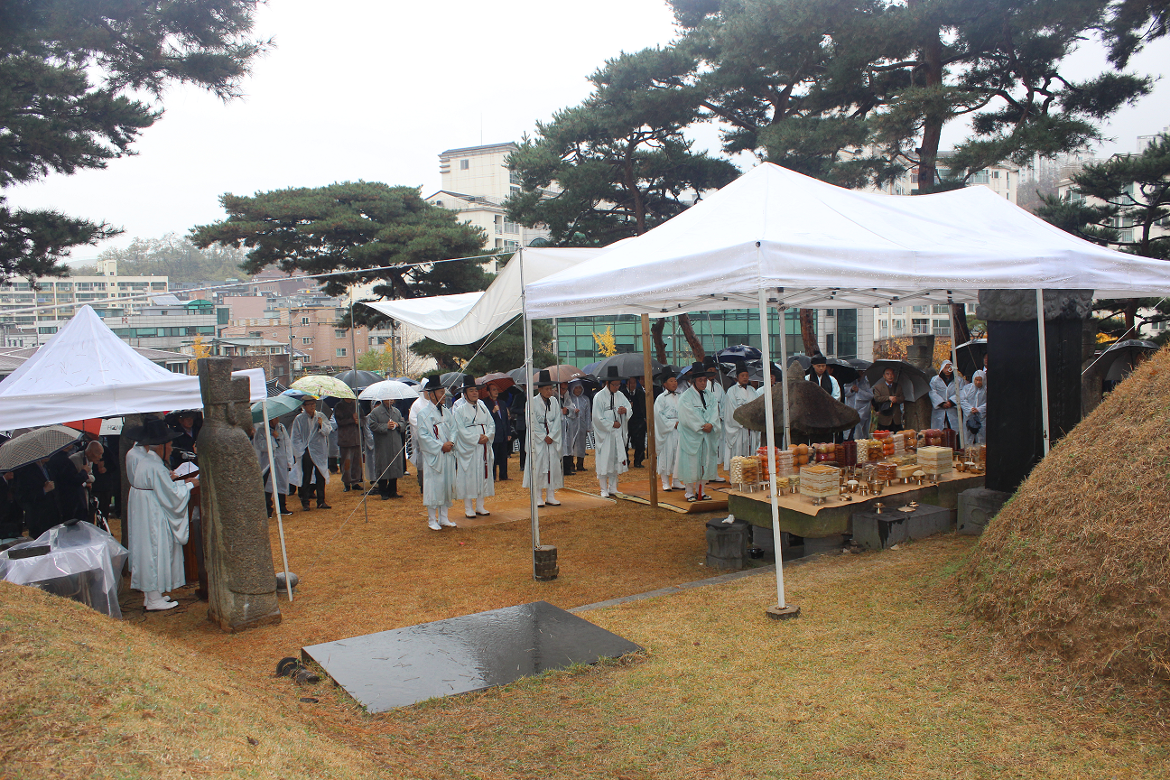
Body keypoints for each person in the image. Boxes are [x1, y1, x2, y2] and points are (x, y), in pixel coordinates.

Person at [123, 418, 197, 612]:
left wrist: (179, 483)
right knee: (154, 549)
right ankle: (154, 599)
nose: (172, 449)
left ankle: (152, 595)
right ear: (161, 446)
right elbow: (171, 495)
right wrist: (190, 485)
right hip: (151, 512)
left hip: (146, 507)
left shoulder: (149, 461)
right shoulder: (153, 465)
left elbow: (163, 486)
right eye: (170, 445)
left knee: (149, 550)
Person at [415, 374, 458, 530]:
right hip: (434, 456)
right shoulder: (423, 414)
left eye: (444, 392)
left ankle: (444, 517)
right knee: (434, 486)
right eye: (441, 393)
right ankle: (432, 519)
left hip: (447, 453)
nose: (444, 396)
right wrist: (440, 446)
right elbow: (423, 436)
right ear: (432, 395)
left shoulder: (447, 412)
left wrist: (451, 442)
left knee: (446, 485)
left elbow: (454, 428)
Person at [676, 361, 722, 502]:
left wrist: (711, 424)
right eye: (700, 380)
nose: (703, 383)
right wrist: (702, 426)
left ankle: (701, 491)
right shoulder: (686, 397)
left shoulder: (710, 396)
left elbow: (714, 411)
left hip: (707, 436)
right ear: (693, 381)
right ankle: (689, 492)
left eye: (705, 380)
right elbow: (687, 416)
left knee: (705, 463)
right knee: (691, 464)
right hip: (692, 436)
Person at [452, 376, 495, 518]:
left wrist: (487, 436)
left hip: (483, 446)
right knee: (469, 476)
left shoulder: (482, 406)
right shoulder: (460, 410)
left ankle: (480, 505)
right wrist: (476, 438)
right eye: (471, 391)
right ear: (465, 394)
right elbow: (460, 430)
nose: (474, 393)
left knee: (483, 474)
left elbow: (491, 423)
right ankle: (468, 507)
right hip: (469, 448)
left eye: (476, 390)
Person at [522, 370, 563, 506]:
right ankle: (538, 496)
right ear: (539, 389)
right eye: (546, 389)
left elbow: (557, 420)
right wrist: (543, 436)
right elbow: (531, 422)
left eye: (551, 389)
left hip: (551, 438)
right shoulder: (531, 402)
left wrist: (551, 435)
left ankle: (550, 495)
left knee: (552, 465)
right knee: (539, 466)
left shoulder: (554, 402)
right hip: (538, 440)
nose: (549, 391)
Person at [290, 396, 335, 510]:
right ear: (304, 406)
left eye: (313, 404)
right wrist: (301, 450)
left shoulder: (320, 416)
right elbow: (295, 436)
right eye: (309, 404)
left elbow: (328, 431)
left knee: (320, 475)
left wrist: (321, 425)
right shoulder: (299, 419)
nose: (312, 406)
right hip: (306, 451)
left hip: (319, 450)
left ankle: (321, 500)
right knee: (306, 476)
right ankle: (305, 501)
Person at [591, 366, 629, 498]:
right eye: (614, 385)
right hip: (605, 435)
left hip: (616, 434)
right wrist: (612, 424)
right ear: (607, 383)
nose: (617, 387)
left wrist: (625, 410)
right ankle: (603, 488)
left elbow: (628, 407)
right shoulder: (599, 397)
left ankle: (613, 487)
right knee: (604, 459)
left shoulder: (620, 395)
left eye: (619, 385)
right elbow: (597, 417)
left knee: (615, 459)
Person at [253, 414, 293, 518]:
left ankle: (282, 507)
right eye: (275, 418)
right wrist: (272, 438)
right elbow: (260, 445)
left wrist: (289, 460)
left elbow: (287, 444)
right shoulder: (261, 430)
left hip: (281, 460)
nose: (277, 419)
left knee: (282, 483)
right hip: (268, 462)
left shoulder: (281, 428)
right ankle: (267, 509)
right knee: (268, 485)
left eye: (277, 417)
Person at [653, 367, 685, 492]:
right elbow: (658, 416)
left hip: (680, 429)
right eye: (671, 381)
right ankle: (665, 481)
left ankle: (676, 480)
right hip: (667, 431)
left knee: (678, 455)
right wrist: (672, 424)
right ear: (664, 384)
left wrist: (682, 422)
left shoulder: (681, 396)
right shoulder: (661, 398)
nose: (674, 383)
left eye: (675, 380)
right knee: (666, 455)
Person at [13, 458, 61, 539]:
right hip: (38, 517)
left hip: (53, 513)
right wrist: (44, 490)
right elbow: (23, 496)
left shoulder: (48, 467)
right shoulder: (26, 471)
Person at [368, 399, 406, 499]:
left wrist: (397, 425)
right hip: (382, 444)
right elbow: (372, 425)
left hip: (395, 442)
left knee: (395, 465)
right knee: (383, 466)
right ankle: (383, 491)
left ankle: (393, 490)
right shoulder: (375, 412)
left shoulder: (396, 411)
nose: (391, 400)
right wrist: (386, 426)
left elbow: (403, 423)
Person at [721, 364, 758, 462]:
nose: (745, 377)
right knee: (738, 455)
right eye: (742, 375)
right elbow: (730, 410)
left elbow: (757, 406)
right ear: (737, 377)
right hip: (739, 427)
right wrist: (743, 421)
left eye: (747, 375)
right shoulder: (732, 391)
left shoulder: (752, 390)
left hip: (751, 426)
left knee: (751, 454)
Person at [484, 382, 512, 481]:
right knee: (493, 455)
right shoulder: (485, 403)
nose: (496, 392)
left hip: (503, 432)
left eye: (496, 389)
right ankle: (492, 476)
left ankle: (503, 475)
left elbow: (506, 419)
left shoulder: (502, 403)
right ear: (488, 392)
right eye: (493, 390)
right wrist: (493, 412)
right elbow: (485, 419)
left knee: (503, 455)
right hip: (494, 434)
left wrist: (508, 432)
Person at [334, 397, 363, 492]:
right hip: (345, 439)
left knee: (357, 462)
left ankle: (355, 481)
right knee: (346, 462)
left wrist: (359, 421)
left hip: (357, 438)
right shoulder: (339, 406)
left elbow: (363, 419)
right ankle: (346, 482)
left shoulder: (357, 405)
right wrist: (352, 420)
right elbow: (339, 422)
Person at [564, 379, 591, 472]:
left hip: (582, 425)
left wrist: (588, 426)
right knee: (571, 444)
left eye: (580, 388)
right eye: (576, 388)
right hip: (572, 426)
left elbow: (587, 414)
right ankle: (571, 465)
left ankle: (580, 464)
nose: (578, 390)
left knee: (581, 445)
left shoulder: (585, 399)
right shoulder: (569, 399)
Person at [929, 359, 960, 431]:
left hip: (952, 409)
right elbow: (932, 392)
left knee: (953, 430)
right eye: (945, 367)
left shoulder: (958, 380)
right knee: (938, 431)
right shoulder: (935, 380)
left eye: (949, 367)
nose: (947, 370)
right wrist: (941, 403)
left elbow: (960, 392)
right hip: (939, 410)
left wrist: (951, 402)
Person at [624, 376, 648, 468]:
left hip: (639, 420)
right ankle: (625, 460)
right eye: (630, 383)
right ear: (627, 384)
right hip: (626, 421)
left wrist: (645, 418)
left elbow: (644, 406)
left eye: (634, 383)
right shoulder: (622, 394)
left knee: (640, 442)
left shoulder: (640, 393)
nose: (633, 385)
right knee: (625, 442)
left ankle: (638, 461)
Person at [872, 367, 904, 432]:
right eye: (888, 374)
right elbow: (877, 398)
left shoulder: (898, 386)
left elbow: (902, 398)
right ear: (884, 376)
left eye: (892, 374)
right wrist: (888, 398)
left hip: (896, 418)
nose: (890, 376)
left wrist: (896, 399)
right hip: (884, 417)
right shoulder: (878, 387)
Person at [960, 369, 988, 445]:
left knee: (982, 437)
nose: (978, 382)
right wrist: (970, 409)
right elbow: (962, 400)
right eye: (976, 380)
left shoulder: (986, 390)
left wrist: (979, 409)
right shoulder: (967, 388)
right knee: (967, 437)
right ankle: (968, 450)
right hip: (969, 416)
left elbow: (989, 402)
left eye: (980, 380)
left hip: (982, 417)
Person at [844, 374, 873, 440]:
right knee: (849, 431)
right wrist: (851, 389)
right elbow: (844, 392)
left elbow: (870, 396)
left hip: (863, 410)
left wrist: (859, 391)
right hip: (850, 409)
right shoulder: (849, 381)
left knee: (861, 432)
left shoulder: (867, 382)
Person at [559, 382, 576, 476]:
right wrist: (561, 411)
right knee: (560, 447)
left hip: (568, 425)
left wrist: (568, 410)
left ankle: (567, 468)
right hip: (559, 425)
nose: (564, 391)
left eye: (566, 389)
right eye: (563, 388)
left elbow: (572, 407)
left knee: (568, 446)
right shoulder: (553, 397)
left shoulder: (567, 397)